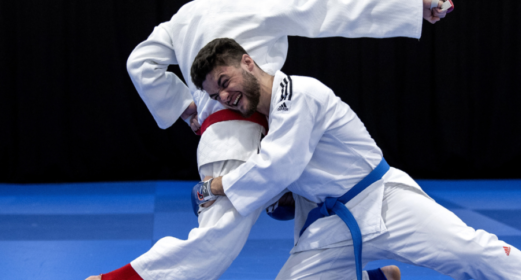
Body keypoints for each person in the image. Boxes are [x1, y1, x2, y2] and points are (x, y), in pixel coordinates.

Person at [86, 0, 451, 279]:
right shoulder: (258, 3)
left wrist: (185, 108)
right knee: (219, 240)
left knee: (314, 224)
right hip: (248, 132)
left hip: (263, 131)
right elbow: (331, 9)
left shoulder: (184, 15)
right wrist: (411, 7)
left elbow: (140, 62)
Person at [190, 37, 521, 280]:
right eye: (215, 94)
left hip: (385, 202)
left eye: (224, 82)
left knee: (471, 252)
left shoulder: (299, 92)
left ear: (248, 62)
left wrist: (213, 187)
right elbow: (281, 179)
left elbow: (279, 164)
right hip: (333, 223)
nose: (224, 96)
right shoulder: (265, 125)